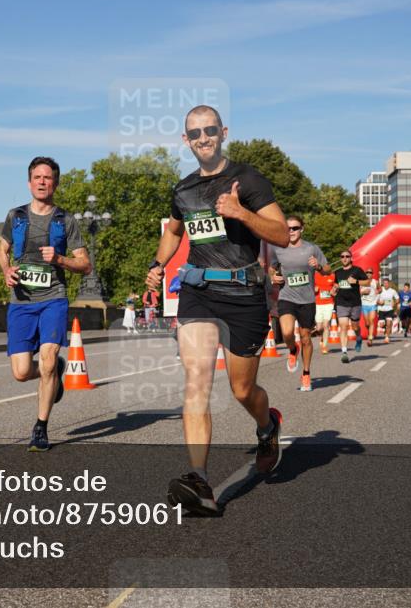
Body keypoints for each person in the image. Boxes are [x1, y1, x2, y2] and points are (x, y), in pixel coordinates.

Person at [146, 105, 289, 516]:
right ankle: (200, 481)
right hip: (199, 291)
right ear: (185, 140)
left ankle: (267, 426)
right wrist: (157, 266)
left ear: (223, 132)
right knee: (196, 381)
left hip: (244, 295)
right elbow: (174, 232)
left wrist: (241, 212)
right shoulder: (184, 189)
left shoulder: (248, 179)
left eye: (210, 130)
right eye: (195, 133)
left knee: (242, 390)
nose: (204, 137)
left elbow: (280, 233)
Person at [0, 156, 91, 452]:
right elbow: (2, 251)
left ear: (55, 183)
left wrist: (60, 259)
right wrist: (6, 270)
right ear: (29, 182)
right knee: (22, 372)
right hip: (21, 302)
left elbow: (85, 264)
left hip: (53, 299)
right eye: (37, 177)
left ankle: (40, 427)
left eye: (47, 177)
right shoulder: (16, 216)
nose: (42, 182)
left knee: (47, 361)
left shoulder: (66, 220)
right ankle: (55, 369)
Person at [268, 215, 331, 391]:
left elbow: (328, 270)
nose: (291, 232)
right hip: (286, 297)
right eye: (288, 229)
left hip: (307, 300)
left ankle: (306, 373)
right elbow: (271, 268)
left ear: (302, 229)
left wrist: (318, 266)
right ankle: (292, 349)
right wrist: (274, 276)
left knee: (305, 338)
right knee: (287, 333)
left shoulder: (312, 248)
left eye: (295, 228)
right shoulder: (278, 249)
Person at [331, 251, 369, 363]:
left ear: (351, 258)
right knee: (343, 327)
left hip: (355, 303)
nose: (345, 258)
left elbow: (367, 281)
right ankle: (344, 352)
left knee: (355, 326)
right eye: (342, 256)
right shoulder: (337, 272)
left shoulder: (357, 270)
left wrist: (356, 281)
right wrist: (334, 290)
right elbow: (336, 285)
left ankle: (358, 338)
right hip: (341, 302)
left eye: (347, 256)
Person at [313, 268, 336, 354]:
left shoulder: (332, 276)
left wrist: (334, 291)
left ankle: (324, 346)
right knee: (319, 328)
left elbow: (336, 287)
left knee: (326, 325)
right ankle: (322, 337)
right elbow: (310, 287)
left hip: (329, 303)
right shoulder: (315, 275)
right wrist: (314, 289)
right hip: (318, 304)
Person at [360, 268, 380, 347]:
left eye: (370, 272)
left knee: (371, 320)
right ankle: (369, 333)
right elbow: (357, 292)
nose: (368, 274)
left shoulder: (375, 282)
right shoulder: (362, 282)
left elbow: (380, 289)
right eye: (367, 272)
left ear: (372, 274)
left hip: (373, 304)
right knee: (367, 323)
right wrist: (363, 292)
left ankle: (370, 338)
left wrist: (378, 291)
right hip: (364, 304)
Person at [377, 277, 399, 344]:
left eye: (387, 283)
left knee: (389, 324)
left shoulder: (392, 291)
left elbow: (397, 299)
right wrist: (379, 302)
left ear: (389, 284)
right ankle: (386, 329)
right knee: (381, 325)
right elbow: (375, 299)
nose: (386, 284)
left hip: (389, 309)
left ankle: (387, 337)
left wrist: (394, 303)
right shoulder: (380, 290)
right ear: (382, 284)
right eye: (384, 283)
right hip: (381, 309)